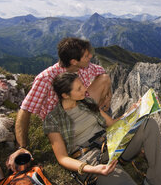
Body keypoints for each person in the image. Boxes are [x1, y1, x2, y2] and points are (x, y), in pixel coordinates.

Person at [6, 37, 112, 172]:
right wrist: (22, 147)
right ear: (74, 61)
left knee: (104, 79)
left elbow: (102, 72)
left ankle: (99, 123)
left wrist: (108, 96)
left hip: (82, 108)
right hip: (61, 122)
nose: (90, 56)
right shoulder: (45, 78)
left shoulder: (85, 67)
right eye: (86, 55)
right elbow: (25, 110)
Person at [45, 72, 161, 185]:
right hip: (90, 160)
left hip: (112, 145)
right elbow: (62, 158)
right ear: (65, 95)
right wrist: (92, 169)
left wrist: (132, 111)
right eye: (79, 89)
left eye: (82, 84)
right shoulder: (53, 119)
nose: (84, 89)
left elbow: (112, 124)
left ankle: (156, 181)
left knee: (148, 124)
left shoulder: (87, 103)